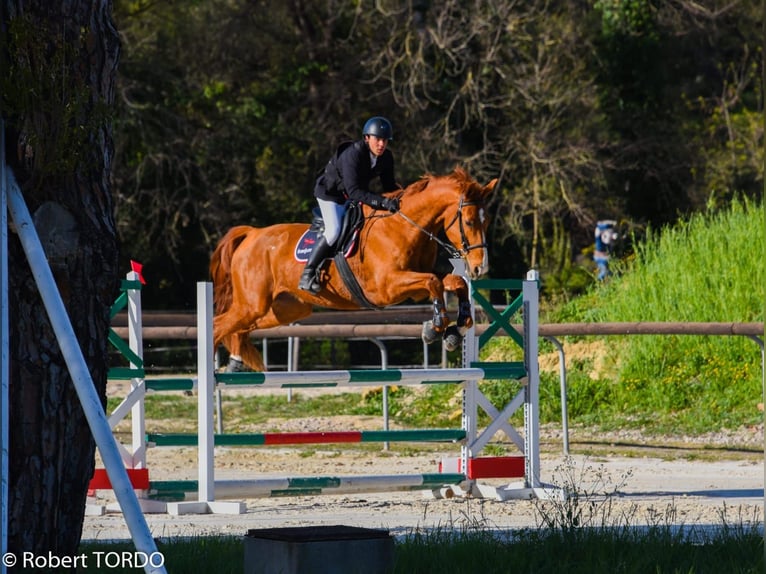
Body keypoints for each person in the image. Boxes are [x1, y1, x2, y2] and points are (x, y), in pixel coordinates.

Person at [298, 116, 402, 293]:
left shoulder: (386, 158)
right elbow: (354, 191)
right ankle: (307, 274)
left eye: (385, 141)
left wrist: (402, 198)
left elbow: (389, 186)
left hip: (350, 195)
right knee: (334, 231)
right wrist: (382, 202)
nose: (381, 144)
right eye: (378, 139)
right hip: (330, 195)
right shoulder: (352, 155)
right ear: (367, 138)